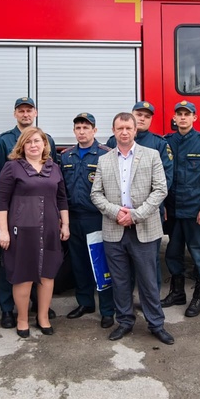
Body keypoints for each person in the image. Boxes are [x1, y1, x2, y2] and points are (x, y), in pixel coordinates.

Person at [91, 112, 174, 345]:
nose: (124, 132)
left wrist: (135, 215)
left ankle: (156, 324)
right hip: (114, 228)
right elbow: (95, 194)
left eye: (128, 128)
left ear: (135, 130)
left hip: (144, 227)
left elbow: (160, 190)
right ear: (114, 131)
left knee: (148, 281)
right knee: (120, 280)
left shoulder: (152, 155)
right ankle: (125, 322)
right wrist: (116, 212)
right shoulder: (104, 160)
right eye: (120, 128)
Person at [0, 97, 58, 329]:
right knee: (14, 267)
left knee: (44, 267)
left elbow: (55, 184)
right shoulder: (3, 141)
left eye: (29, 110)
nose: (25, 114)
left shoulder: (49, 140)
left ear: (35, 112)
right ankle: (9, 310)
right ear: (15, 114)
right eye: (21, 110)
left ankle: (41, 310)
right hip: (17, 217)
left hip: (45, 219)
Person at [0, 127, 69, 338]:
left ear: (45, 144)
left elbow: (62, 198)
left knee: (47, 275)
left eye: (37, 141)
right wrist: (3, 231)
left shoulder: (54, 167)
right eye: (28, 142)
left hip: (50, 230)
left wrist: (65, 224)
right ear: (22, 146)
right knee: (23, 276)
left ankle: (43, 317)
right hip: (22, 230)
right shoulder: (12, 167)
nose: (33, 145)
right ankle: (22, 319)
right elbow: (1, 201)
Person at [161, 101, 200, 317]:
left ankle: (198, 296)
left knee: (199, 254)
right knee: (173, 253)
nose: (183, 118)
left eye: (187, 114)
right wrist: (163, 206)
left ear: (195, 118)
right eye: (179, 114)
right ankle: (177, 293)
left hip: (196, 213)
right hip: (174, 210)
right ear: (174, 118)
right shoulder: (167, 142)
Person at [106, 101, 174, 292]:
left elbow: (165, 179)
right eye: (139, 114)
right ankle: (127, 304)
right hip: (118, 216)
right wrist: (119, 211)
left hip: (149, 213)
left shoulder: (159, 144)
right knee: (123, 264)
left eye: (147, 116)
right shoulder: (113, 141)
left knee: (149, 265)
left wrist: (143, 209)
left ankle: (150, 302)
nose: (142, 118)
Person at [59, 113, 115, 328]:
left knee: (101, 264)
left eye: (86, 127)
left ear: (95, 131)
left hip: (97, 218)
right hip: (74, 218)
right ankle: (85, 303)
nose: (82, 131)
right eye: (78, 128)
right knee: (79, 263)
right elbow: (61, 189)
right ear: (74, 131)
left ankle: (108, 309)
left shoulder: (105, 155)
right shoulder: (67, 157)